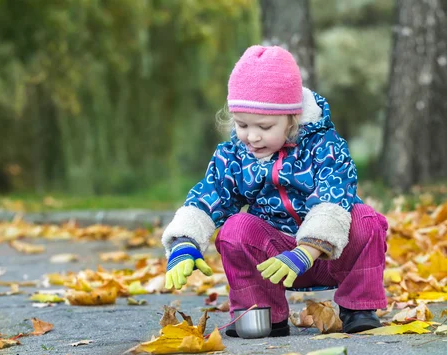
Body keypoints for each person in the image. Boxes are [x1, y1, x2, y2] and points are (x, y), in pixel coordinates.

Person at [161, 45, 389, 336]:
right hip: (274, 259)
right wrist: (184, 242)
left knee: (366, 219)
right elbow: (211, 194)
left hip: (330, 252)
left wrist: (307, 251)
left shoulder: (326, 147)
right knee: (235, 229)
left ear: (292, 119)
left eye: (265, 126)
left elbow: (333, 198)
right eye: (242, 124)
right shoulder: (235, 154)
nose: (252, 137)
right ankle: (261, 311)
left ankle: (359, 308)